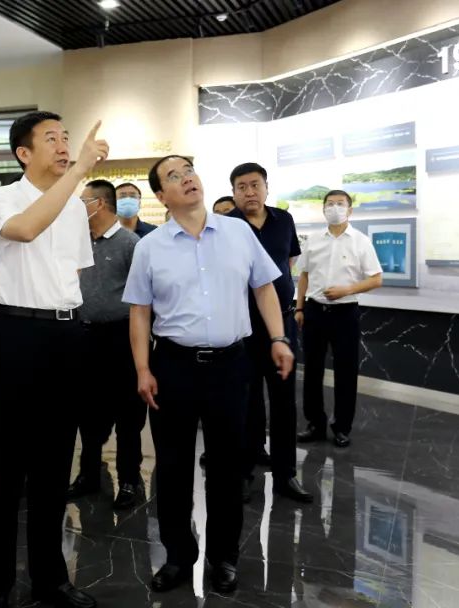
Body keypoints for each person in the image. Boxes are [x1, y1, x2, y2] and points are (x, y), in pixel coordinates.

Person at [123, 155, 294, 594]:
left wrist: (278, 338)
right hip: (173, 367)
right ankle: (178, 555)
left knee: (228, 468)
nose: (187, 179)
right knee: (173, 467)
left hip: (231, 365)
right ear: (161, 196)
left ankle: (224, 557)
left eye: (189, 171)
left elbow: (264, 287)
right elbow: (140, 312)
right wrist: (142, 368)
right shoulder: (150, 247)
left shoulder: (238, 232)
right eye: (174, 176)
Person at [0, 111, 107, 608]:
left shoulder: (74, 208)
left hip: (67, 333)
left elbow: (72, 272)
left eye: (66, 137)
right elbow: (27, 229)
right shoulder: (0, 199)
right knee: (8, 467)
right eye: (51, 138)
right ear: (23, 153)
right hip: (17, 332)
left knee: (55, 465)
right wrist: (80, 172)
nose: (63, 145)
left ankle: (51, 580)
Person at [226, 162, 312, 504]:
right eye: (242, 187)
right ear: (233, 192)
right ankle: (244, 472)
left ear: (266, 187)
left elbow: (288, 263)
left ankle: (285, 474)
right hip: (243, 327)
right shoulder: (226, 226)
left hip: (282, 325)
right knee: (245, 402)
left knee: (284, 401)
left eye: (255, 185)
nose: (250, 192)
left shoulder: (283, 220)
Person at [66, 179, 145, 510]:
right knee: (87, 411)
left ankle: (128, 479)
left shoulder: (131, 243)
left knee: (128, 414)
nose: (77, 207)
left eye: (82, 200)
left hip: (122, 337)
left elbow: (143, 297)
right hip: (85, 336)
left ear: (98, 204)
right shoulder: (79, 241)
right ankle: (88, 475)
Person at [295, 190, 383, 448]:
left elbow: (376, 279)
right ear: (323, 209)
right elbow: (304, 275)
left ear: (350, 210)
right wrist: (299, 308)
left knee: (346, 371)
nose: (334, 208)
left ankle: (342, 427)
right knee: (312, 370)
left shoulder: (360, 241)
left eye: (340, 204)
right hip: (314, 311)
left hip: (345, 313)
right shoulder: (313, 240)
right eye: (330, 204)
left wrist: (347, 290)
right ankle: (315, 423)